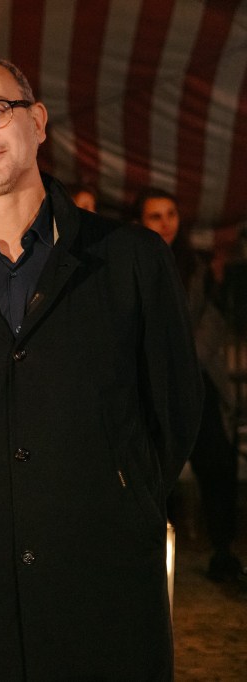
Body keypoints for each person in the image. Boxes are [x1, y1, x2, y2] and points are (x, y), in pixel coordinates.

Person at [0, 53, 203, 680]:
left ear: (38, 121)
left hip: (108, 591)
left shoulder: (131, 258)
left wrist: (119, 505)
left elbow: (175, 408)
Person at [135, 187, 245, 584]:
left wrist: (182, 358)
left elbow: (212, 321)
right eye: (155, 216)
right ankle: (146, 551)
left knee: (215, 458)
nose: (166, 223)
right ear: (140, 221)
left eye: (171, 214)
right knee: (150, 462)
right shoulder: (131, 262)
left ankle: (222, 548)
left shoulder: (195, 266)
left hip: (194, 377)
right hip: (148, 380)